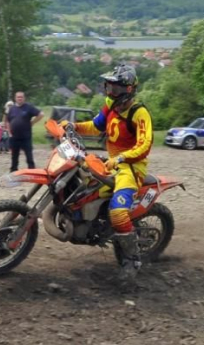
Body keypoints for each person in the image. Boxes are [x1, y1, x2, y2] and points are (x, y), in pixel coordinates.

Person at [66, 64, 153, 281]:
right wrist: (73, 127)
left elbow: (145, 145)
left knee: (118, 213)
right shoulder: (110, 106)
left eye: (114, 89)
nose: (109, 92)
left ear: (128, 90)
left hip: (131, 169)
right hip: (111, 163)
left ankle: (132, 260)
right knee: (79, 186)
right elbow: (96, 127)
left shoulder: (139, 113)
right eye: (108, 87)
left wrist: (122, 158)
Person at [6, 91, 44, 172]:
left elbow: (41, 114)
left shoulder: (28, 107)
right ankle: (13, 171)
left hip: (25, 137)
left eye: (21, 97)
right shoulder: (12, 108)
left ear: (24, 98)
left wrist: (32, 122)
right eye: (18, 97)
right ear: (15, 98)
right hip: (14, 137)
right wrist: (9, 132)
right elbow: (8, 120)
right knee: (14, 156)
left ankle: (32, 172)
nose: (19, 98)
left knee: (29, 156)